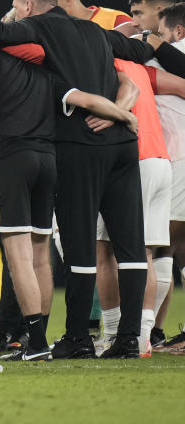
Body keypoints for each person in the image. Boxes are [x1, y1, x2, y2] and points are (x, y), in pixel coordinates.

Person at [0, 0, 159, 358]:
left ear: (28, 8)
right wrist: (121, 111)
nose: (15, 16)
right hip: (120, 146)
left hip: (75, 145)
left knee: (76, 249)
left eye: (18, 8)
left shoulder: (35, 32)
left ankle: (73, 337)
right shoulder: (94, 33)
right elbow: (133, 64)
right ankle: (131, 338)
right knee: (130, 247)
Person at [95, 58, 174, 357]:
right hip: (159, 159)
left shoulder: (107, 63)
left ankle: (114, 333)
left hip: (133, 159)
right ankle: (142, 338)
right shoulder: (139, 66)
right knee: (145, 254)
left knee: (104, 249)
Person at [151, 4, 185, 352]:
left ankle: (146, 332)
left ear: (177, 32)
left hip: (178, 158)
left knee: (162, 244)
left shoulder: (169, 54)